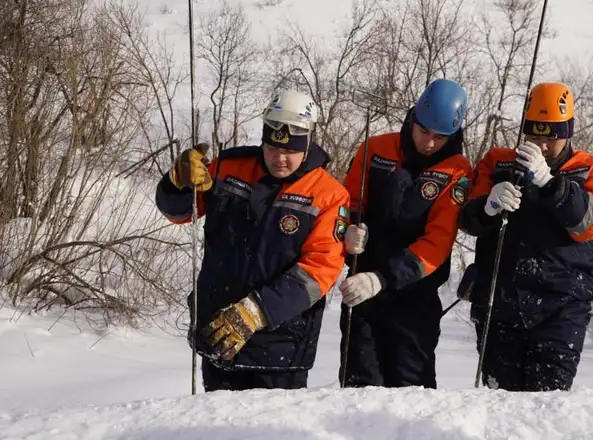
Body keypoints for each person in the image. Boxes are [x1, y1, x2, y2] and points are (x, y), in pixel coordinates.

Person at [155, 89, 350, 391]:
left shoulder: (328, 194)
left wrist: (256, 311)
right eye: (272, 148)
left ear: (308, 143)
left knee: (270, 438)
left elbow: (319, 271)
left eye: (289, 151)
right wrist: (176, 183)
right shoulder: (229, 167)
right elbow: (179, 213)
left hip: (281, 349)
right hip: (219, 334)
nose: (279, 158)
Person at [459, 81, 593, 392]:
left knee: (547, 401)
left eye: (551, 138)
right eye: (534, 135)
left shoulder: (591, 169)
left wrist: (550, 183)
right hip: (500, 301)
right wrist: (488, 206)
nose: (542, 146)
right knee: (500, 399)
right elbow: (467, 218)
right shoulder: (498, 162)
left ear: (567, 133)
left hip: (561, 306)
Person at [337, 79, 472, 388]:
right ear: (413, 119)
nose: (428, 143)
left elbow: (436, 242)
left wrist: (382, 278)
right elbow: (348, 202)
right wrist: (352, 229)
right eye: (424, 131)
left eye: (439, 137)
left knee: (412, 392)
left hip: (415, 296)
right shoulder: (376, 148)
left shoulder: (457, 171)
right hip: (362, 291)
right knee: (359, 386)